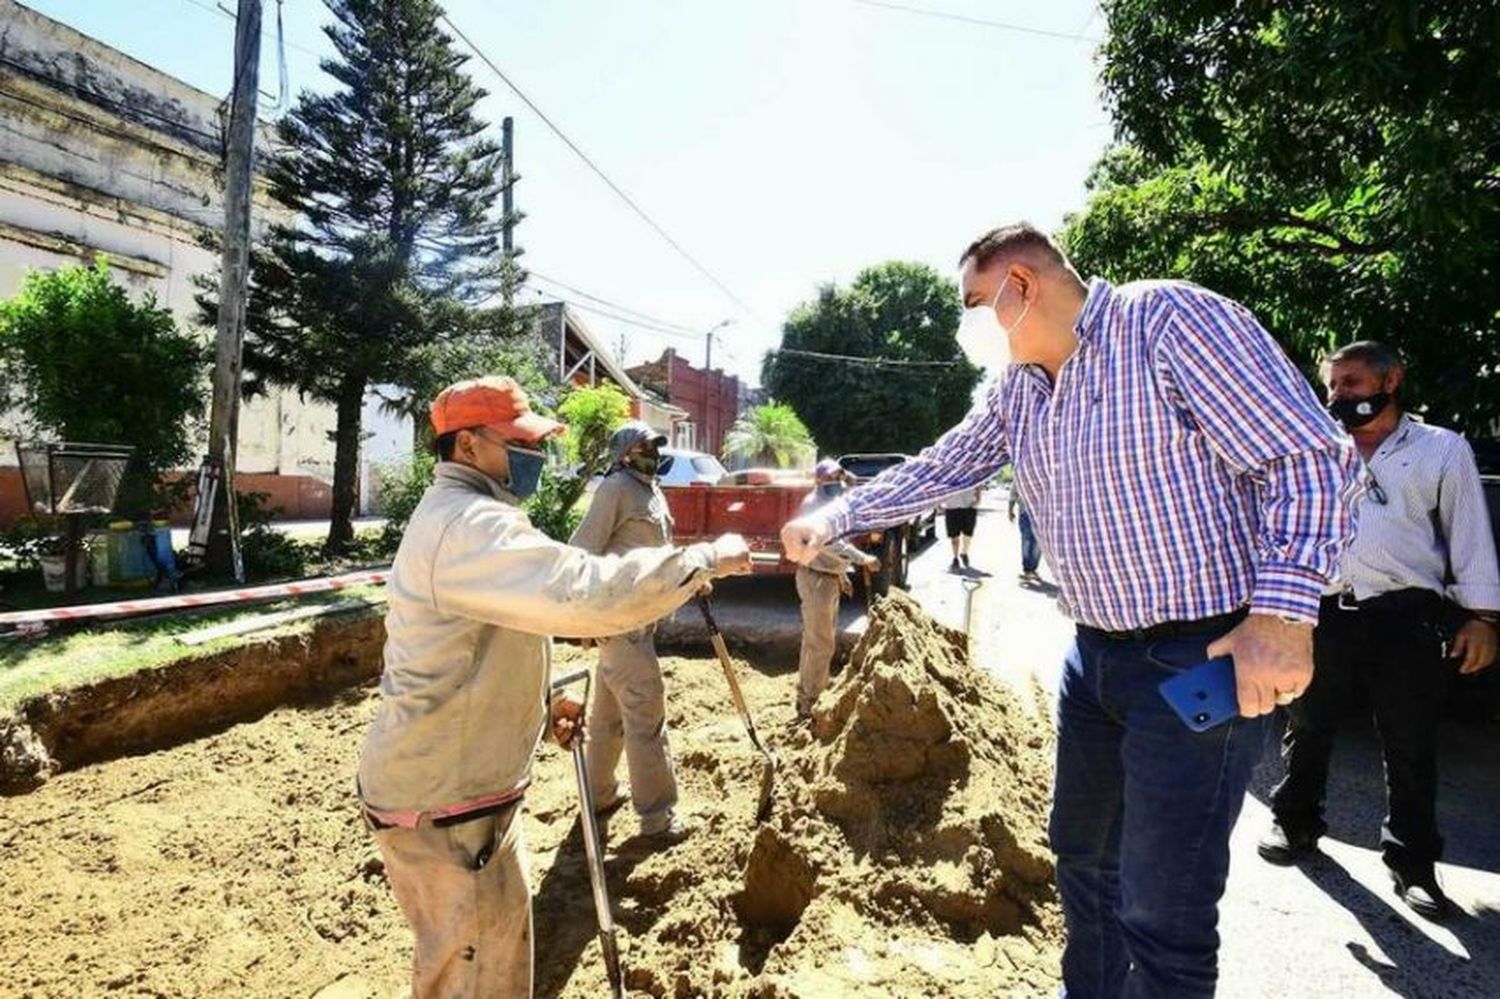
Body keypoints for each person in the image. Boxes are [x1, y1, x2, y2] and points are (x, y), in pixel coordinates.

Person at [780, 222, 1360, 998]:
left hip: (1199, 658)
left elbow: (1311, 458)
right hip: (1095, 659)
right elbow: (947, 462)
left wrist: (1283, 618)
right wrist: (838, 515)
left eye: (975, 303)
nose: (968, 326)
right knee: (1083, 859)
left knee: (1164, 903)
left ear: (1023, 286)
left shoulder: (1168, 324)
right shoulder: (1020, 386)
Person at [357, 377, 751, 998]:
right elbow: (585, 594)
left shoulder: (474, 520)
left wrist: (540, 705)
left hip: (467, 799)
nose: (534, 457)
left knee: (495, 966)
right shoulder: (467, 525)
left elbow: (486, 638)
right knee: (475, 981)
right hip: (446, 807)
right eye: (518, 442)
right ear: (466, 447)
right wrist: (703, 559)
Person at [1260, 342, 1500, 918]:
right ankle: (1295, 824)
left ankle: (1414, 865)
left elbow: (1469, 534)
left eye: (1352, 383)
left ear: (1391, 380)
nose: (1339, 396)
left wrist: (1483, 617)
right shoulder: (1316, 445)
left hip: (1404, 619)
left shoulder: (1440, 449)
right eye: (1334, 386)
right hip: (1324, 611)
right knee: (1308, 723)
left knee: (1411, 741)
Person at [569, 421, 692, 841]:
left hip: (640, 619)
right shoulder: (615, 489)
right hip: (621, 623)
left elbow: (654, 550)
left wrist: (686, 578)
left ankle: (598, 794)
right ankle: (658, 816)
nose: (653, 453)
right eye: (644, 446)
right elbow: (581, 551)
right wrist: (583, 617)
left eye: (656, 447)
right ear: (623, 452)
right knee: (646, 712)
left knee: (608, 718)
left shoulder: (650, 489)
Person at [794, 459, 881, 718]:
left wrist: (841, 574)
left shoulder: (829, 502)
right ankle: (811, 701)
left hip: (825, 577)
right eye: (832, 479)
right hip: (816, 579)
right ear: (819, 481)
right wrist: (862, 558)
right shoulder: (814, 506)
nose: (837, 484)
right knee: (820, 643)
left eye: (838, 479)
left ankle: (808, 692)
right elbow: (830, 543)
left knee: (816, 641)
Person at [943, 483, 982, 573]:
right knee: (954, 536)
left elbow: (979, 485)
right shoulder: (949, 474)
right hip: (952, 507)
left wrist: (978, 499)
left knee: (967, 535)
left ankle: (964, 553)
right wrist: (939, 505)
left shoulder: (971, 473)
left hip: (969, 507)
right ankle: (955, 559)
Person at [1007, 488, 1041, 581]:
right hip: (1025, 513)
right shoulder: (1020, 474)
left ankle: (1033, 568)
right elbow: (1012, 494)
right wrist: (1010, 510)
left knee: (1039, 542)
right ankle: (1027, 569)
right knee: (1026, 540)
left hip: (1042, 514)